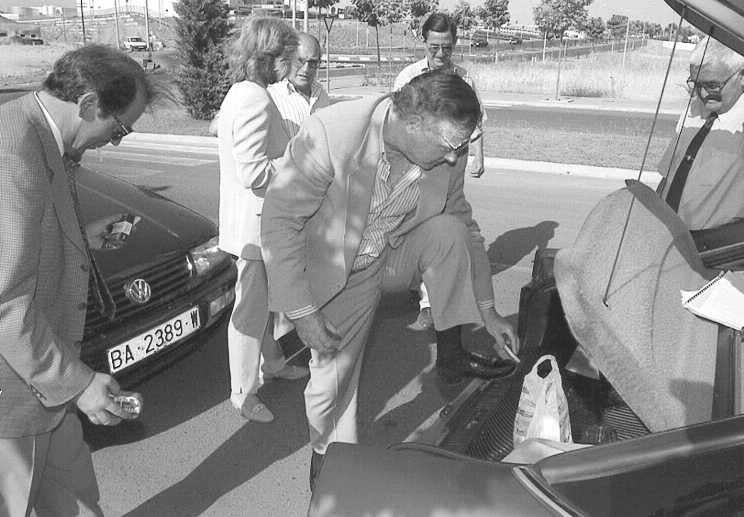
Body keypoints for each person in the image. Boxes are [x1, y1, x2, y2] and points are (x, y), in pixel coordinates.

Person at [261, 70, 519, 490]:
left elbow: (464, 226)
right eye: (452, 146)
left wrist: (488, 311)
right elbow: (278, 224)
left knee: (449, 231)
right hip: (336, 272)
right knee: (333, 377)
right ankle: (328, 460)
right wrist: (303, 312)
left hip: (392, 253)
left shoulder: (439, 157)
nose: (455, 160)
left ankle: (451, 347)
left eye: (462, 148)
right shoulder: (332, 133)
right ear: (413, 123)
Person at [0, 44, 158, 516]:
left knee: (75, 498)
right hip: (14, 397)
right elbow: (6, 301)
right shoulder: (13, 150)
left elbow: (25, 240)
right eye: (120, 126)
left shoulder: (44, 138)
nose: (116, 141)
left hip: (48, 386)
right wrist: (79, 383)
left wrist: (83, 238)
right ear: (88, 105)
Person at [217, 17, 309, 424]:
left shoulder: (245, 92)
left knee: (266, 307)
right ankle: (243, 393)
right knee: (250, 314)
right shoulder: (253, 97)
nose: (290, 66)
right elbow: (253, 172)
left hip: (258, 225)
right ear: (269, 58)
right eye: (287, 58)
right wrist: (296, 159)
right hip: (254, 228)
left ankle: (271, 364)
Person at [394, 12, 489, 331]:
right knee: (419, 222)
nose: (439, 54)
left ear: (454, 44)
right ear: (424, 42)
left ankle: (436, 301)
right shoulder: (408, 77)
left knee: (450, 222)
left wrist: (478, 154)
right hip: (417, 161)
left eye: (446, 48)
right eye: (434, 47)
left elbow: (475, 121)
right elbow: (396, 123)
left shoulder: (465, 79)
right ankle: (423, 293)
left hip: (453, 163)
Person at [657, 36, 744, 230]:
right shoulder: (692, 109)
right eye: (696, 84)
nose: (702, 94)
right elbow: (668, 177)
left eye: (712, 85)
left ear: (742, 76)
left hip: (719, 250)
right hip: (669, 238)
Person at [267, 32, 330, 139]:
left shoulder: (321, 95)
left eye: (312, 63)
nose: (306, 69)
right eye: (300, 61)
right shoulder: (272, 98)